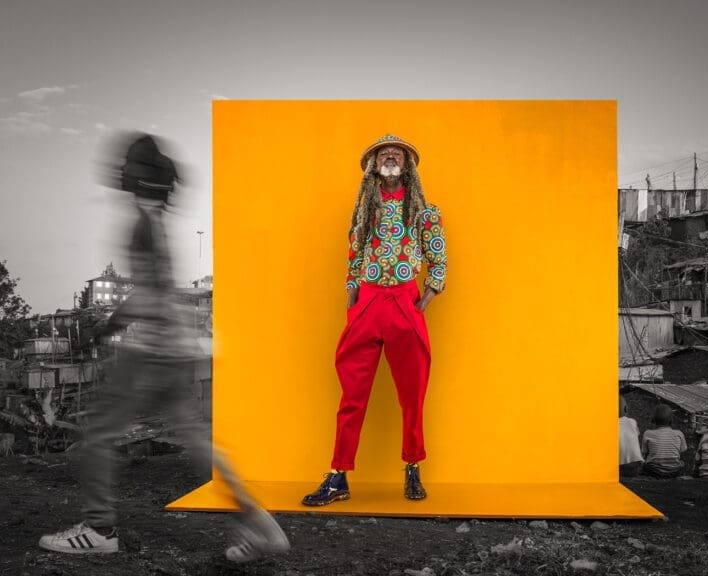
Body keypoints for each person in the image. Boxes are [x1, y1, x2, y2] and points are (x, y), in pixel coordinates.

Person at [39, 133, 289, 562]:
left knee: (98, 432)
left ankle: (98, 528)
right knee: (196, 439)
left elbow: (148, 293)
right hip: (175, 348)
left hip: (150, 350)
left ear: (131, 179)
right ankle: (261, 524)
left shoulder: (140, 225)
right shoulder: (154, 221)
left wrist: (108, 329)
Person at [302, 134, 447, 506]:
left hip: (404, 304)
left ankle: (413, 468)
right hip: (367, 303)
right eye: (384, 154)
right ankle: (338, 476)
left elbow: (439, 261)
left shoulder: (424, 211)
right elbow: (353, 256)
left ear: (408, 165)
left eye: (397, 153)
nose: (390, 157)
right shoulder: (366, 208)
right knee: (352, 395)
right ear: (374, 166)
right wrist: (353, 296)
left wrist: (422, 303)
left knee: (413, 395)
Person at [641, 404, 687, 478]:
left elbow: (644, 452)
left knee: (644, 464)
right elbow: (683, 450)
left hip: (654, 471)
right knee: (682, 463)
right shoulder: (679, 433)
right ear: (671, 420)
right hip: (674, 471)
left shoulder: (648, 433)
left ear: (653, 420)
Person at [619, 395, 643, 477]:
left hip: (618, 468)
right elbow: (637, 434)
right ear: (626, 409)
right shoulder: (633, 422)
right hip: (634, 467)